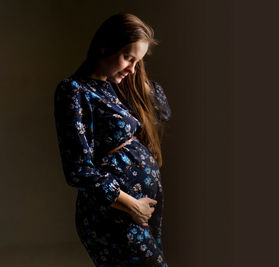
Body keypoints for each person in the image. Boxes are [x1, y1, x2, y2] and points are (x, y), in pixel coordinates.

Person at [53, 12, 171, 266]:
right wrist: (131, 205)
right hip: (113, 214)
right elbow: (77, 170)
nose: (132, 68)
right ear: (104, 46)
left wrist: (135, 70)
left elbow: (162, 110)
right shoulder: (74, 91)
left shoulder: (116, 87)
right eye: (128, 57)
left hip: (139, 212)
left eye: (138, 61)